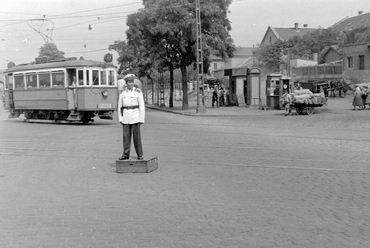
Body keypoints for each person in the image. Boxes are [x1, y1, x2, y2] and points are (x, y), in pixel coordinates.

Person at [118, 75, 145, 160]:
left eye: (132, 82)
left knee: (137, 137)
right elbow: (119, 107)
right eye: (129, 82)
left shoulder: (138, 92)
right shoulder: (122, 93)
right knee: (126, 137)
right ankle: (125, 154)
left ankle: (139, 154)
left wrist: (141, 119)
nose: (131, 84)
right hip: (126, 117)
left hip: (135, 117)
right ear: (126, 83)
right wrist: (120, 118)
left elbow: (142, 106)